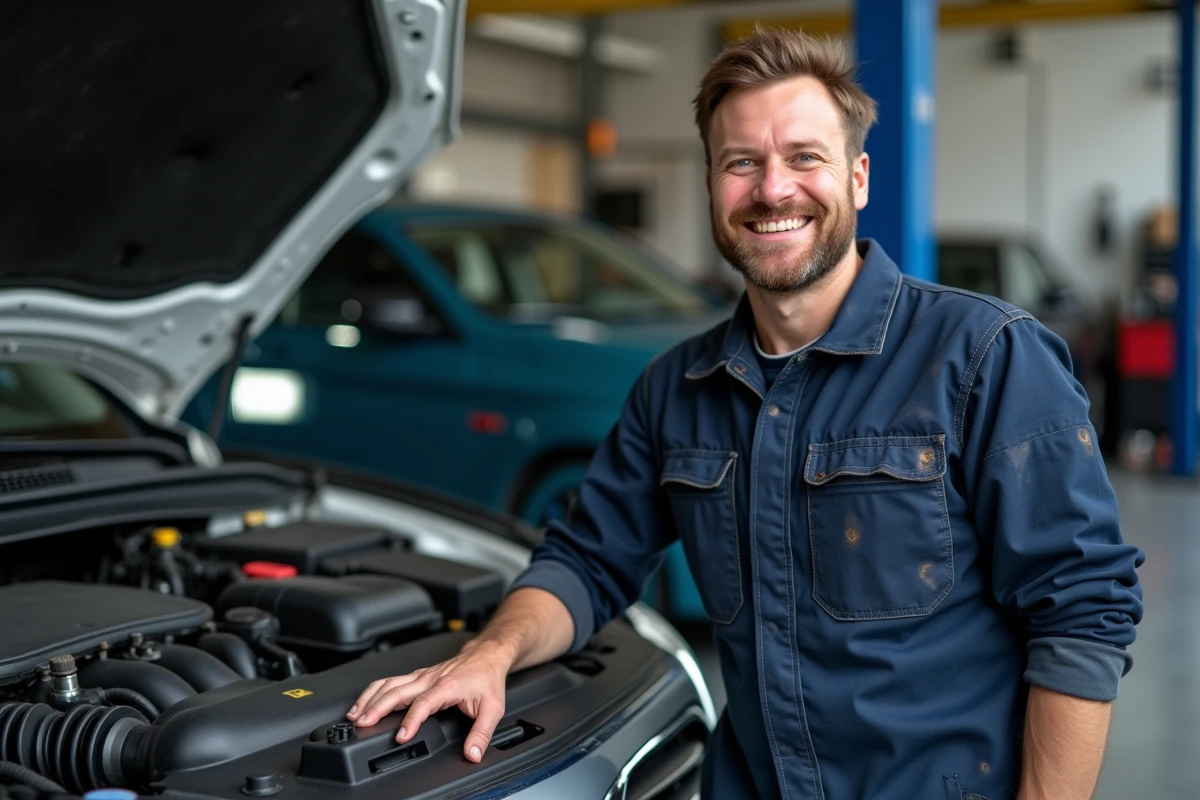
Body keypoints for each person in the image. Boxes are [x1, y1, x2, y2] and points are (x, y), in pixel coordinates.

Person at [346, 27, 1144, 800]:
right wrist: (489, 655)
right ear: (709, 186)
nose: (772, 189)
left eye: (805, 157)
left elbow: (1081, 612)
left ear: (858, 178)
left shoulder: (985, 357)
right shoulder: (674, 389)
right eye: (742, 163)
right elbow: (586, 561)